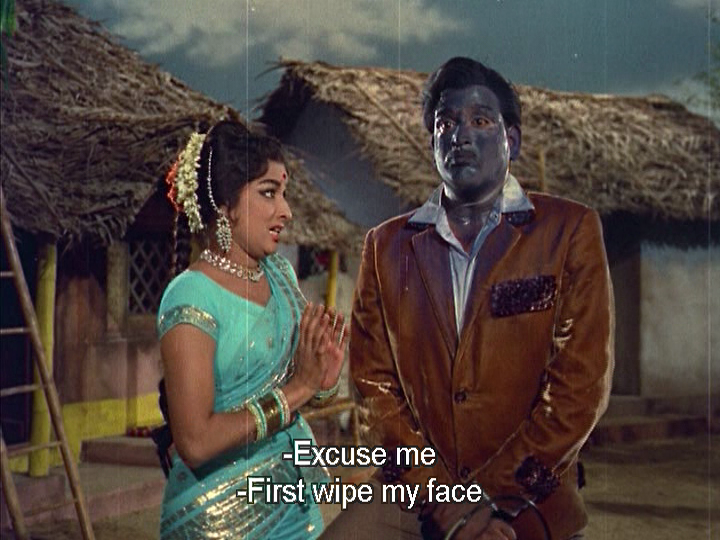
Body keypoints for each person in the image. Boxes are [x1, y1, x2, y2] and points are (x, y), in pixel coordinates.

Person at [323, 57, 614, 539]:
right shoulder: (386, 245)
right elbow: (373, 387)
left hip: (525, 497)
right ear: (432, 142)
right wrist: (446, 500)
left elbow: (579, 389)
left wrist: (487, 498)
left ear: (511, 139)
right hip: (417, 494)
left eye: (480, 120)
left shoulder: (568, 231)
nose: (460, 135)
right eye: (446, 123)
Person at [154, 120, 346, 539]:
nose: (286, 211)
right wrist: (300, 387)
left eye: (283, 193)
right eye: (268, 193)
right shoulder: (191, 295)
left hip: (294, 506)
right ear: (226, 205)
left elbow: (300, 390)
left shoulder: (280, 275)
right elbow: (195, 442)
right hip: (220, 520)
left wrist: (322, 379)